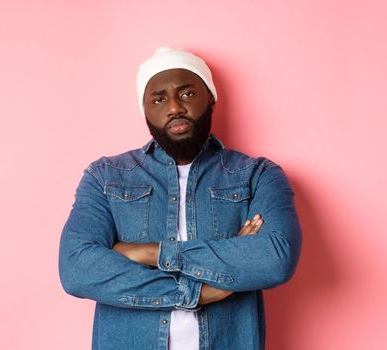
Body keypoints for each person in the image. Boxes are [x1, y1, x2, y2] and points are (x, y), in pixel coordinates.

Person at [57, 47, 302, 350]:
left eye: (187, 94)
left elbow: (274, 259)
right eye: (159, 99)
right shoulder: (106, 177)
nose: (174, 107)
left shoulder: (257, 175)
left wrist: (150, 253)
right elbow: (77, 268)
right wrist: (199, 292)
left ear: (210, 97)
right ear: (145, 110)